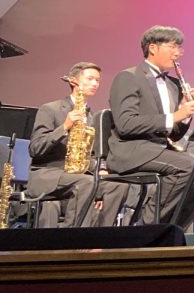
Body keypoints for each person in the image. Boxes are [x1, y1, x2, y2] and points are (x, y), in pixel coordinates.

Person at [107, 28, 194, 228]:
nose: (178, 53)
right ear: (152, 48)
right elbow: (126, 124)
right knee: (189, 167)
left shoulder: (172, 84)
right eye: (172, 47)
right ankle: (146, 226)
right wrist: (175, 115)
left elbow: (173, 133)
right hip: (132, 151)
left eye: (180, 48)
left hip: (160, 150)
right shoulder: (128, 77)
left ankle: (172, 227)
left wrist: (185, 115)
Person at [28, 63, 125, 227]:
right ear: (73, 82)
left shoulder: (92, 117)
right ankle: (74, 239)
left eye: (98, 80)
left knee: (117, 186)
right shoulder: (51, 109)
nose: (95, 84)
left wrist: (100, 168)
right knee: (86, 183)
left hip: (79, 176)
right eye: (90, 79)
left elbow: (92, 154)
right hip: (48, 175)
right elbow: (35, 148)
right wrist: (64, 127)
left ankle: (99, 237)